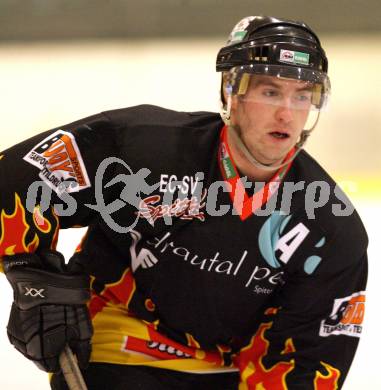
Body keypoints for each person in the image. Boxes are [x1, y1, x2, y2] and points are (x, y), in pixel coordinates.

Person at [0, 15, 368, 390]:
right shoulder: (142, 148)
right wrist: (33, 276)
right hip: (117, 336)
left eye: (302, 95)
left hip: (226, 367)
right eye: (270, 91)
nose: (287, 113)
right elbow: (19, 178)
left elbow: (306, 357)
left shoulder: (331, 228)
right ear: (230, 92)